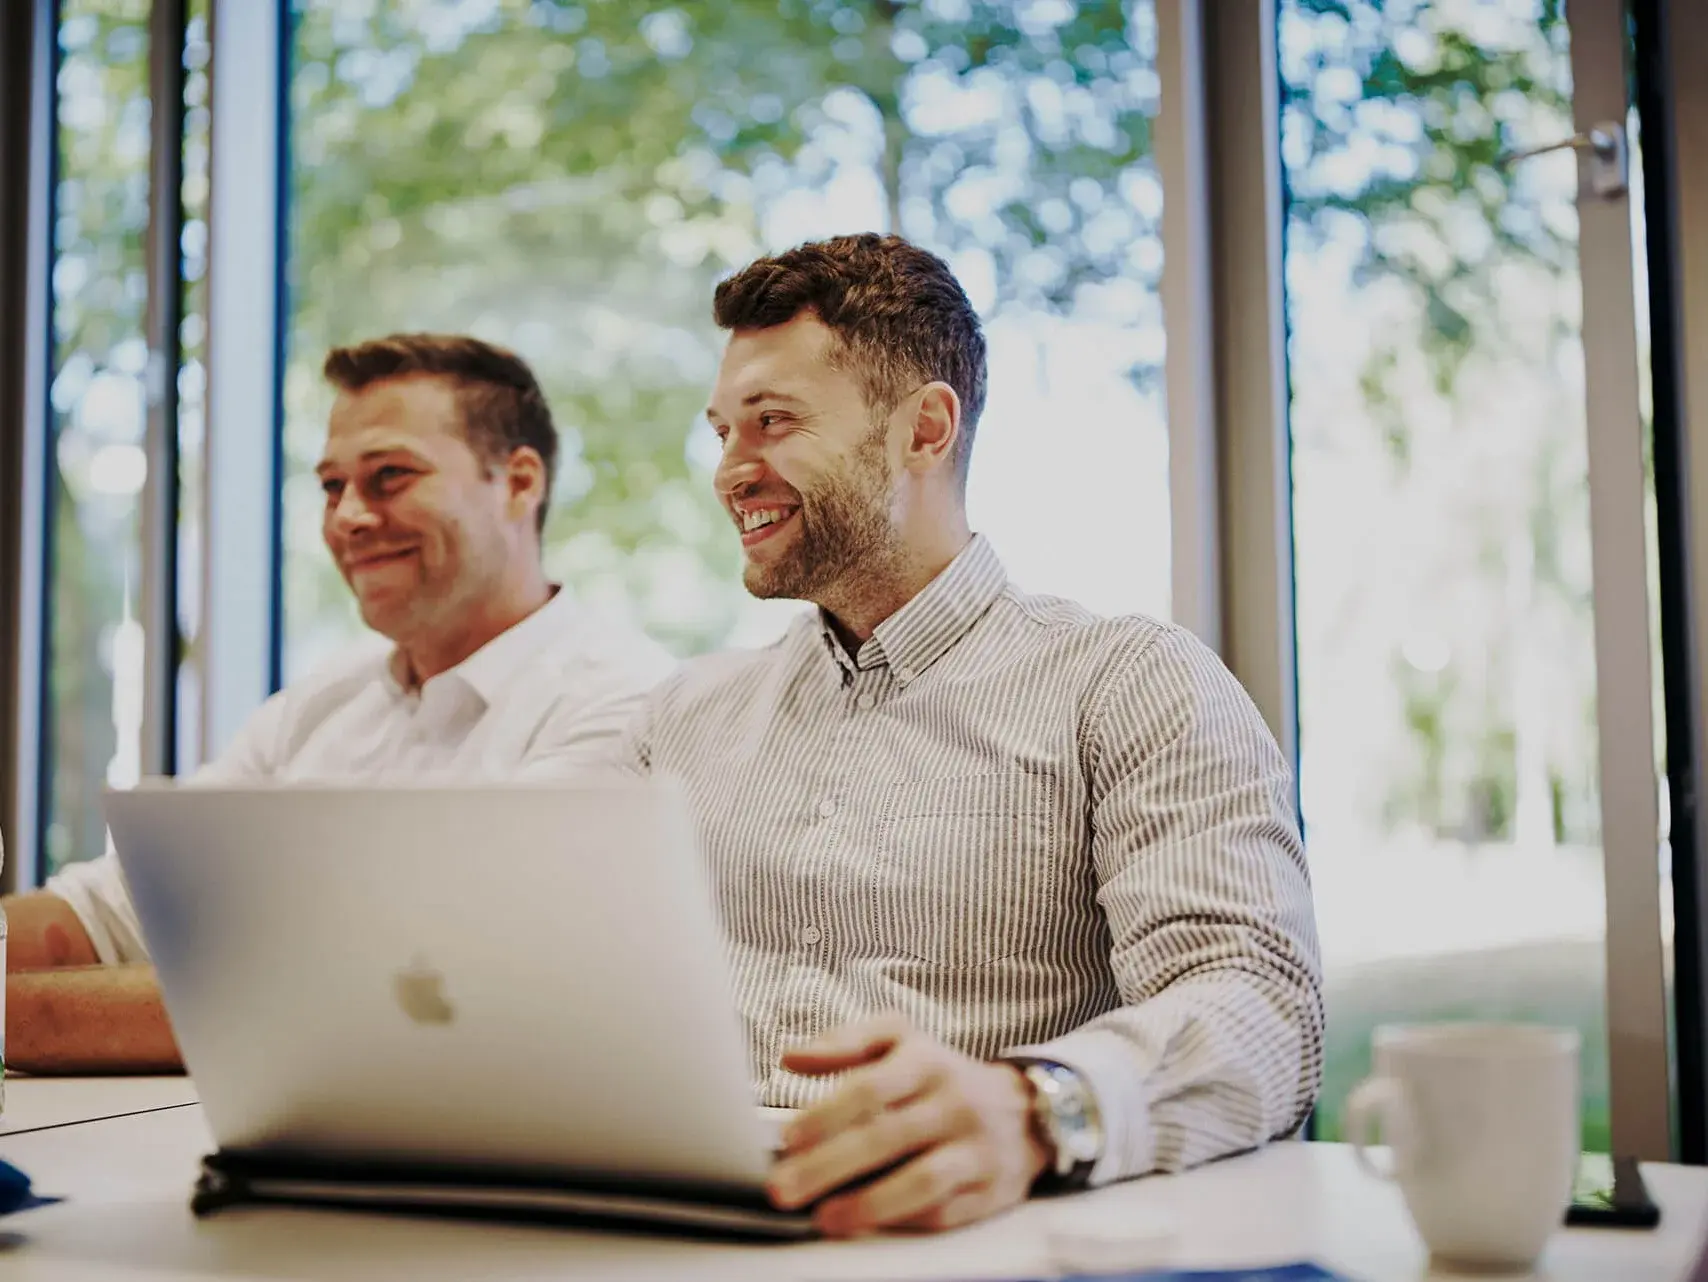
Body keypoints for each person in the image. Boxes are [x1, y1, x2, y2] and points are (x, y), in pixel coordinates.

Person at [614, 234, 1324, 1236]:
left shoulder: (1128, 682)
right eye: (723, 431)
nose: (732, 470)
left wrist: (1041, 1109)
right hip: (690, 1237)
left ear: (924, 429)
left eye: (770, 423)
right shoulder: (678, 719)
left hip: (988, 1240)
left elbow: (1264, 1010)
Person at [5, 333, 675, 1074]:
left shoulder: (625, 702)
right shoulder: (319, 707)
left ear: (518, 483)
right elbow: (118, 910)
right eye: (331, 486)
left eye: (389, 476)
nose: (347, 518)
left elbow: (395, 993)